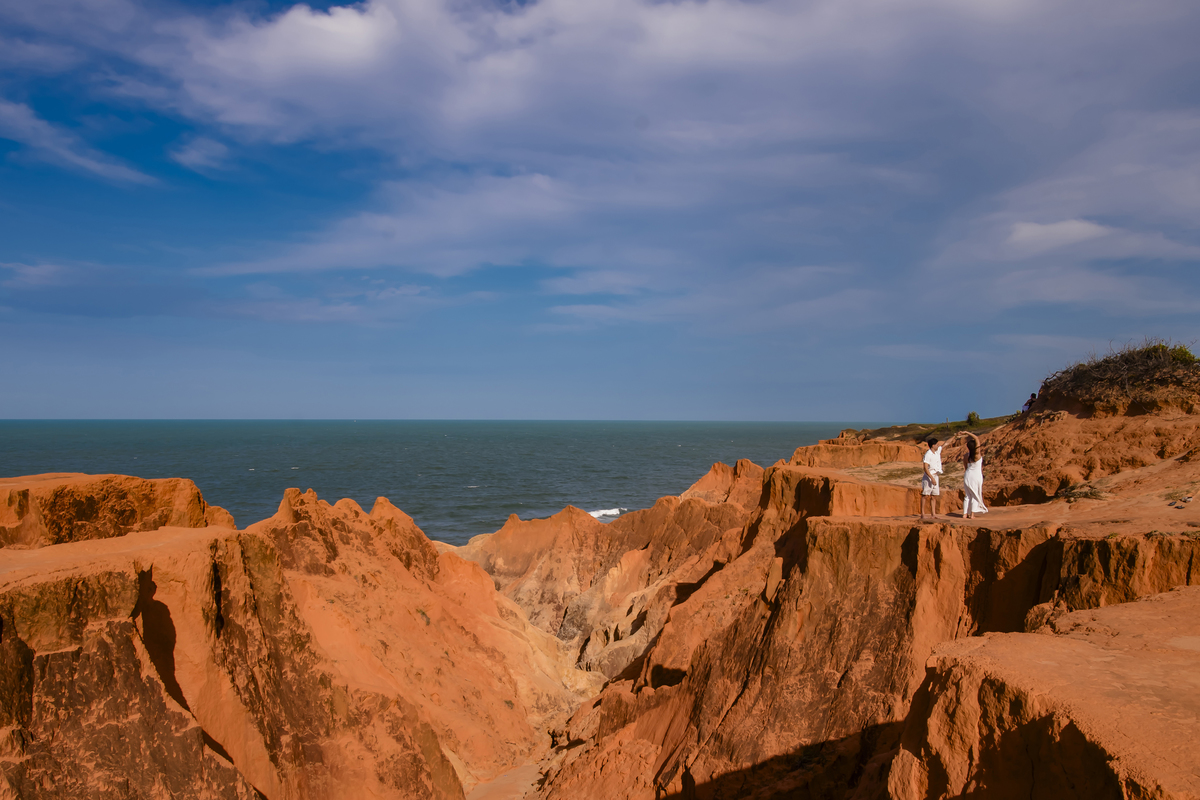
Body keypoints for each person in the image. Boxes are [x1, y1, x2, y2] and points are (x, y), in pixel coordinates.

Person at [961, 431, 988, 519]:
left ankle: (965, 514)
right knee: (975, 495)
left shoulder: (966, 456)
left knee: (967, 495)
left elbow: (965, 467)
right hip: (976, 476)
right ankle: (972, 514)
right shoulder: (977, 455)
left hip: (968, 475)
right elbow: (976, 438)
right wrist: (966, 432)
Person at [919, 438, 944, 521]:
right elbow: (925, 468)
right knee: (925, 495)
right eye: (937, 444)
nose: (938, 446)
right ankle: (922, 514)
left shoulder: (937, 452)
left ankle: (933, 514)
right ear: (933, 445)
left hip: (936, 475)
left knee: (934, 496)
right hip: (928, 477)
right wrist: (931, 478)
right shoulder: (928, 454)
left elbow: (945, 444)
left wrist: (955, 436)